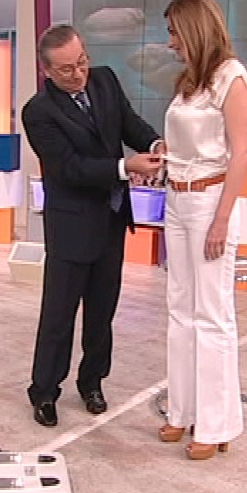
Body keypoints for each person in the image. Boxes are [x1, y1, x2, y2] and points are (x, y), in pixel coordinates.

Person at [23, 24, 165, 427]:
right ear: (47, 70)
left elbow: (129, 123)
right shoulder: (39, 112)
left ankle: (92, 382)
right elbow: (69, 168)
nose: (79, 74)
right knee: (59, 315)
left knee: (102, 313)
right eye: (67, 69)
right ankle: (44, 391)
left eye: (82, 62)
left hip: (111, 219)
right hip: (71, 228)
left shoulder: (104, 80)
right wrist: (124, 167)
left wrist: (153, 144)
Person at [158, 0, 247, 460]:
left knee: (212, 315)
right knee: (179, 308)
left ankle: (216, 426)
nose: (170, 42)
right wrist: (165, 151)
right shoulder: (187, 82)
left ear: (193, 28)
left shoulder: (231, 77)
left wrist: (221, 219)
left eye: (174, 32)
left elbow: (242, 152)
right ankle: (181, 411)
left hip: (210, 200)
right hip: (176, 198)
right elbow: (187, 140)